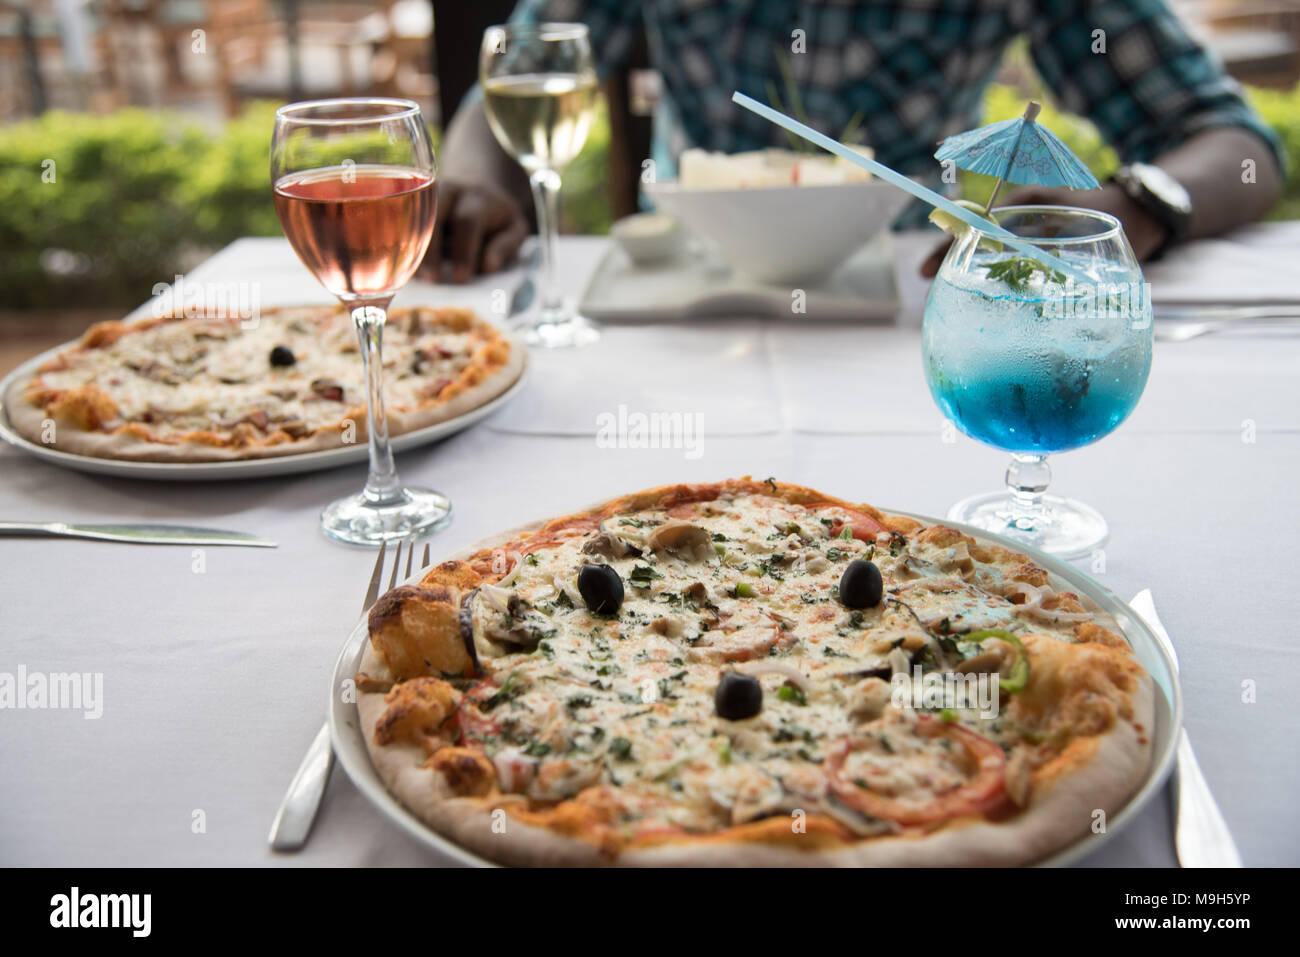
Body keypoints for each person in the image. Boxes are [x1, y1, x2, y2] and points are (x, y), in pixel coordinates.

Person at [423, 0, 1284, 283]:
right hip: (689, 292)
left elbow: (1232, 142)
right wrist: (477, 180)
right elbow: (522, 78)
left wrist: (1130, 207)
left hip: (911, 300)